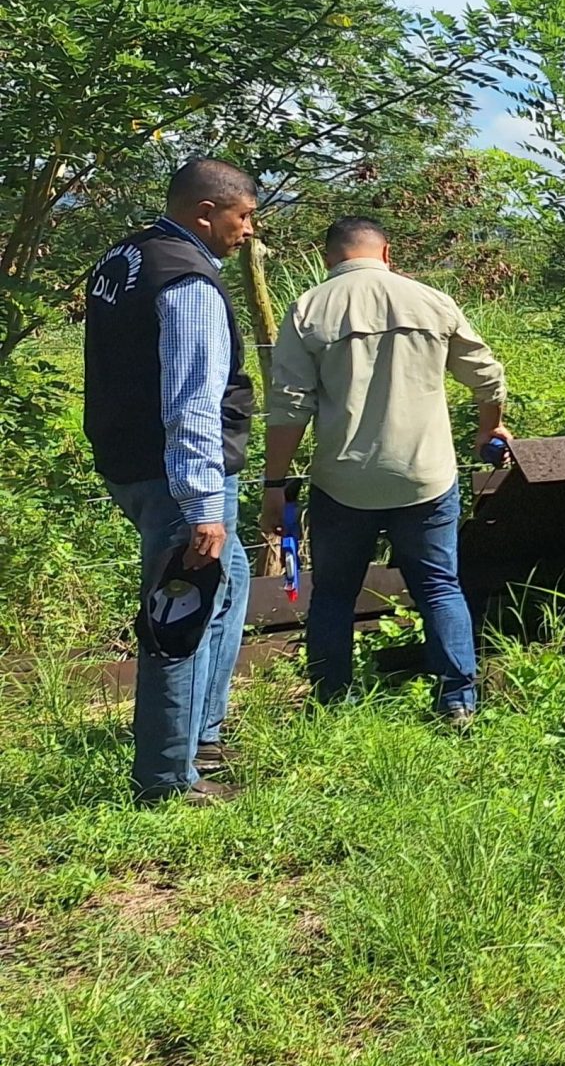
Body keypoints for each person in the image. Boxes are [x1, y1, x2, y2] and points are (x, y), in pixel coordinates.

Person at [262, 216, 509, 727]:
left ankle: (331, 701)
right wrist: (490, 427)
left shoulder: (309, 308)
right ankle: (457, 701)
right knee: (439, 587)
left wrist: (275, 484)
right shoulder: (431, 301)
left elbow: (289, 407)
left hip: (343, 482)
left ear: (329, 258)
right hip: (425, 476)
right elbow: (487, 376)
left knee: (334, 594)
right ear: (386, 253)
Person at [84, 157, 260, 805]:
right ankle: (166, 780)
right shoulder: (187, 281)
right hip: (177, 476)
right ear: (205, 213)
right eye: (243, 215)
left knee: (231, 579)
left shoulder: (126, 257)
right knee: (182, 612)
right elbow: (191, 403)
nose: (249, 230)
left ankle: (201, 735)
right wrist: (203, 504)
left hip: (129, 462)